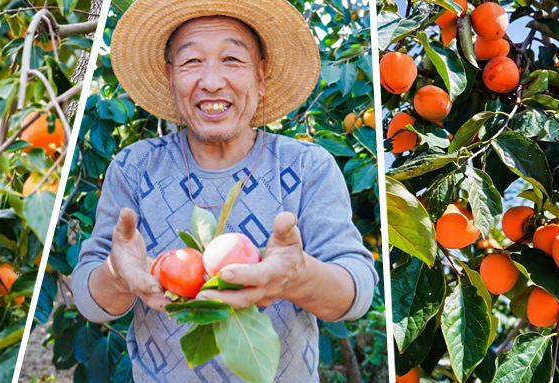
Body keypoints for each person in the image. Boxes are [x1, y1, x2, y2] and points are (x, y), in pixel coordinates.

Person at [72, 0, 378, 381]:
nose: (212, 81)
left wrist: (299, 277)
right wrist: (118, 273)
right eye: (191, 62)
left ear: (261, 76)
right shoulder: (133, 168)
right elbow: (89, 299)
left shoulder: (307, 167)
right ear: (171, 77)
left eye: (232, 59)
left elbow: (357, 289)